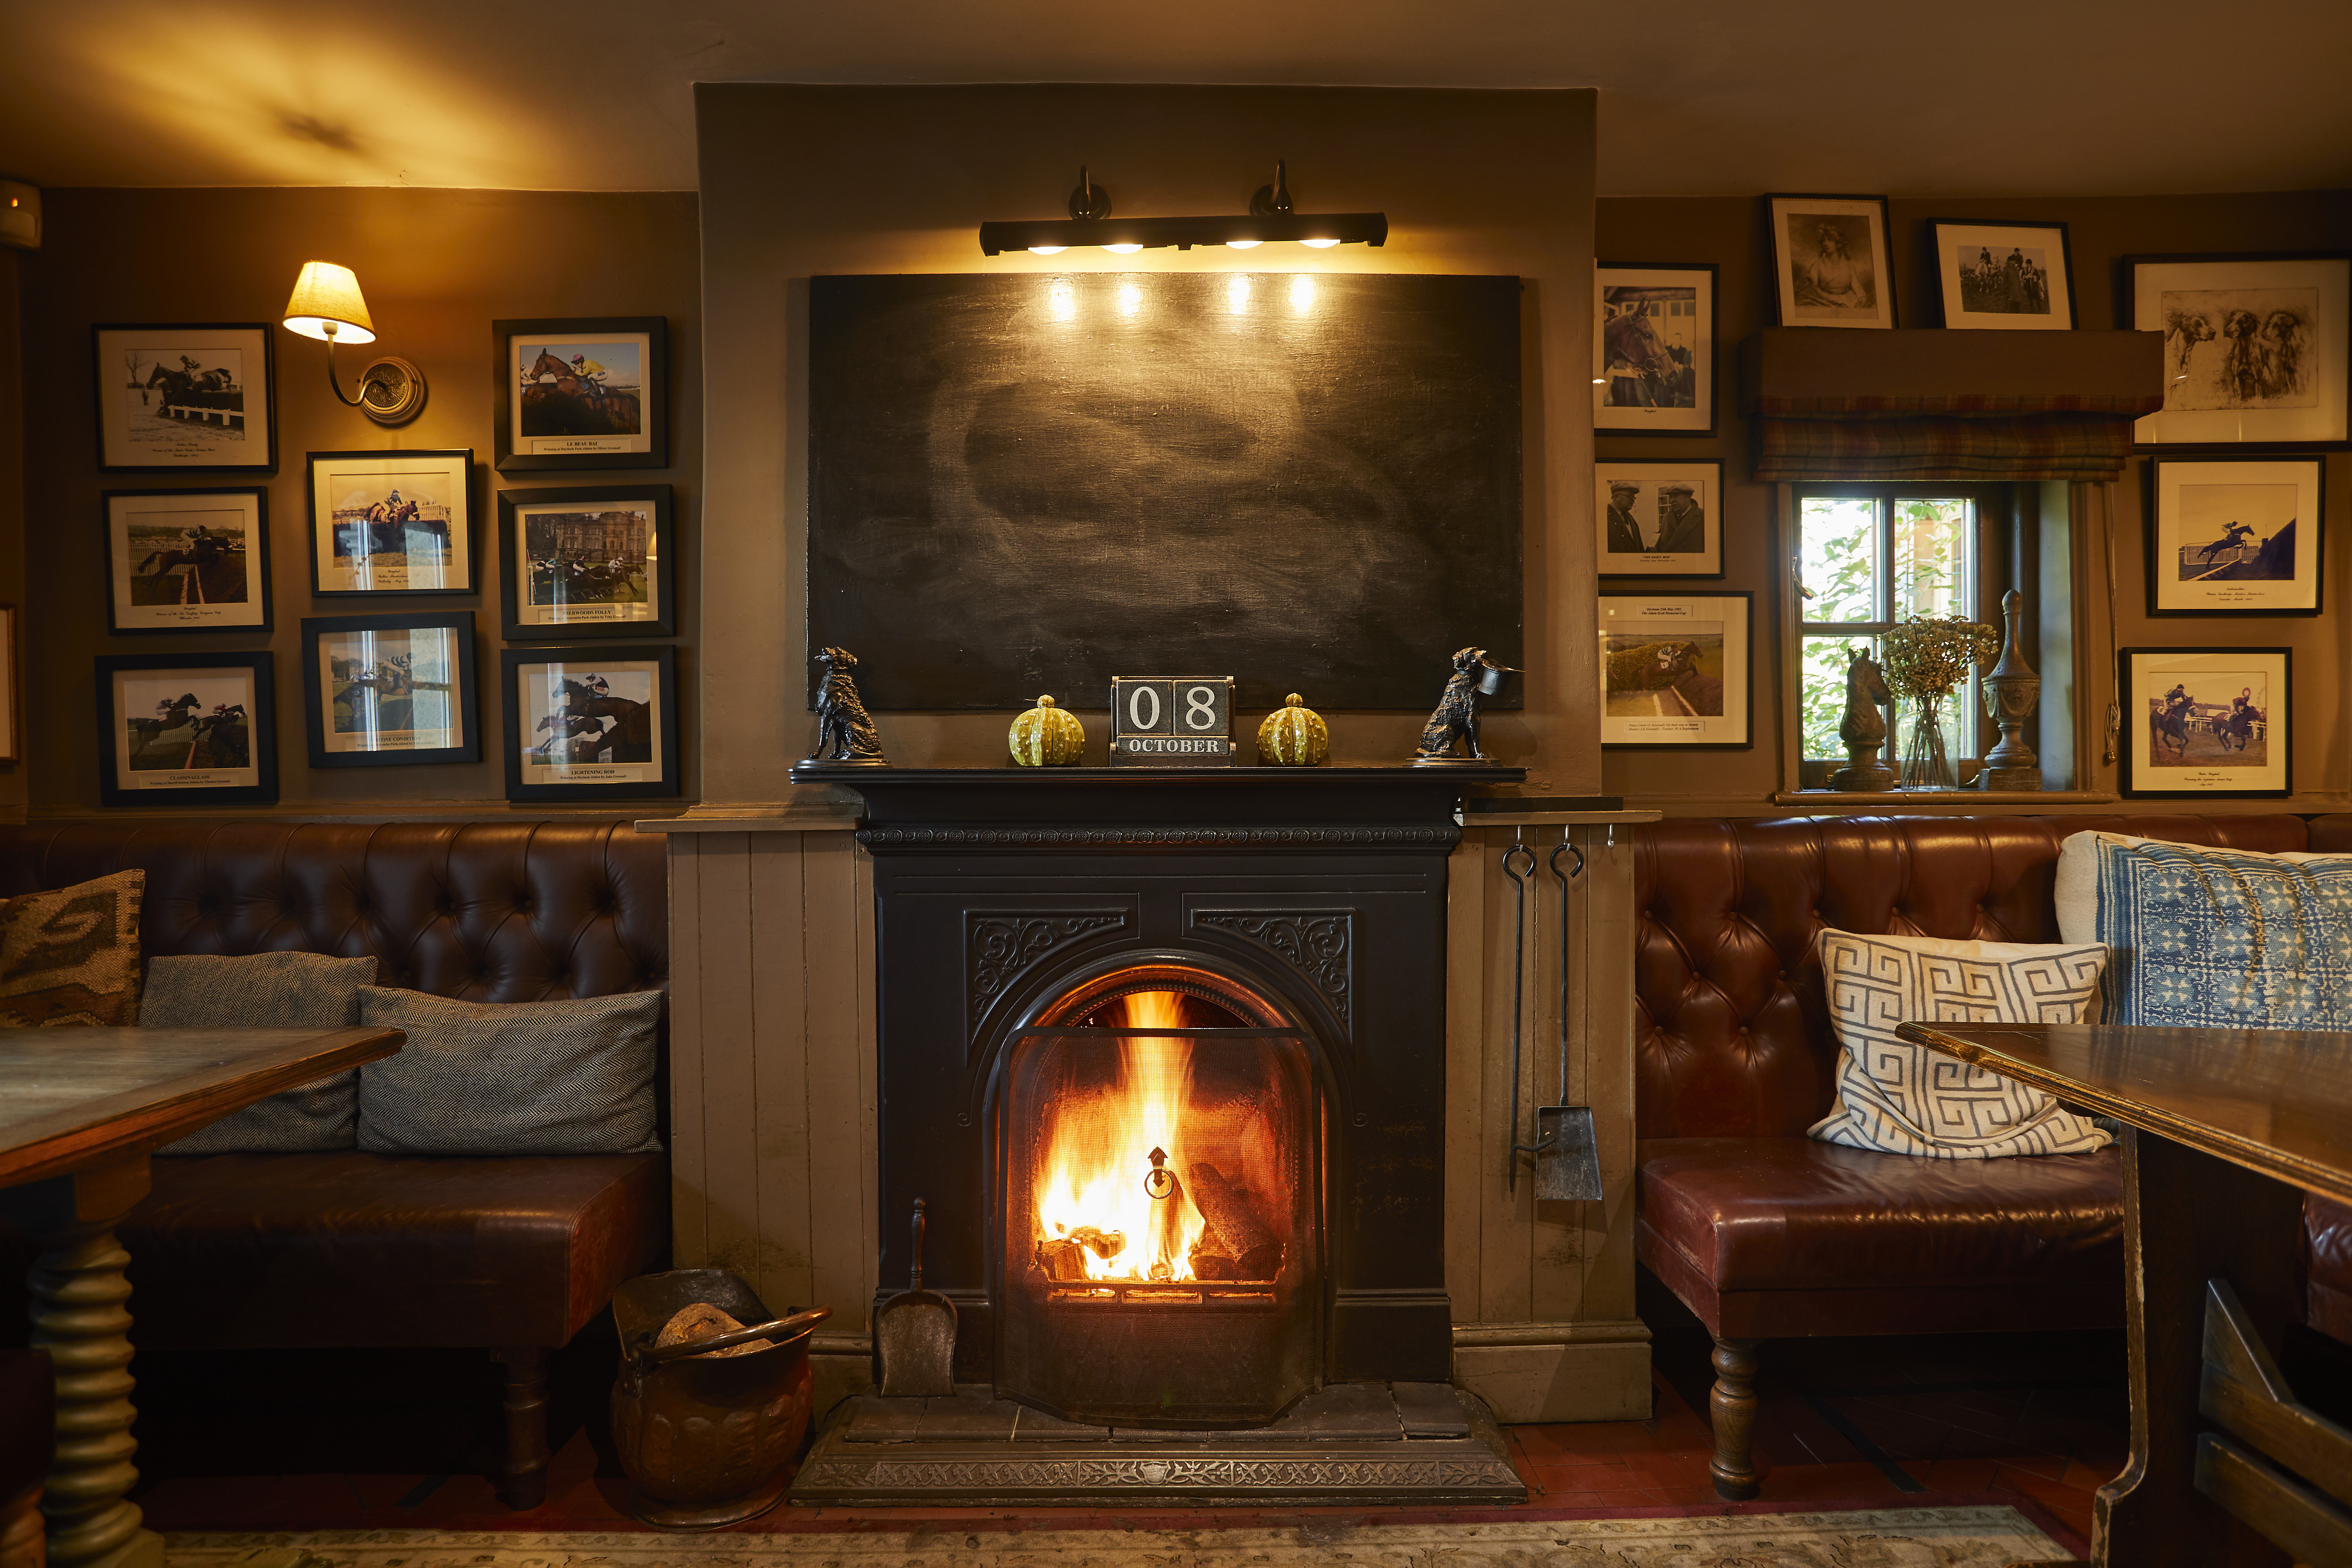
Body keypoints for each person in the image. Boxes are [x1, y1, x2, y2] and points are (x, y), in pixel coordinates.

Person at [1655, 483, 1705, 554]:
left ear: (1688, 497)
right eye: (1671, 497)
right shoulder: (1666, 518)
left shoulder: (1703, 516)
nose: (1672, 500)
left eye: (1676, 496)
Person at [1604, 480, 1644, 552]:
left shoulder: (1630, 518)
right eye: (1629, 496)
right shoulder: (1604, 518)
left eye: (1634, 497)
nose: (1633, 500)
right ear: (1617, 497)